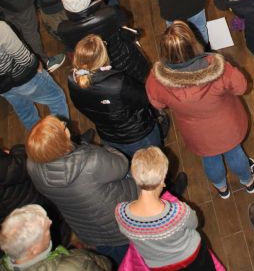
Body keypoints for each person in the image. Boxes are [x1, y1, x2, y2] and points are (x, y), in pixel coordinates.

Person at [146, 21, 254, 200]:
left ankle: (222, 188)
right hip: (227, 125)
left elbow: (157, 104)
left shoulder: (156, 79)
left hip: (196, 132)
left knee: (210, 159)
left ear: (164, 51)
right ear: (194, 43)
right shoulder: (217, 68)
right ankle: (248, 181)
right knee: (235, 152)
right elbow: (241, 87)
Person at [26, 116, 137, 265]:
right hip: (116, 222)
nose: (66, 125)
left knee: (114, 257)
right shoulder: (91, 161)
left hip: (85, 226)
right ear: (62, 141)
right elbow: (122, 165)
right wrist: (106, 149)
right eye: (63, 127)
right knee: (132, 255)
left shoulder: (32, 166)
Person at [115, 147, 216, 271]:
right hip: (192, 258)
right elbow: (194, 224)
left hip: (158, 266)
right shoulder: (178, 212)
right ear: (162, 180)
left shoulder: (121, 213)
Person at [68, 34, 160, 157]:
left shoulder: (72, 80)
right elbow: (145, 98)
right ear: (102, 57)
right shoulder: (117, 83)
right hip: (138, 135)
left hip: (108, 137)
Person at [58, 0, 151, 84]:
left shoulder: (63, 29)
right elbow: (125, 26)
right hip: (125, 58)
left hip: (99, 69)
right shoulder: (111, 12)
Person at [0, 21, 69, 131]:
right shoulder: (1, 28)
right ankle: (61, 139)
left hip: (3, 87)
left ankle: (42, 144)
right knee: (56, 98)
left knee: (25, 112)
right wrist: (37, 64)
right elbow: (24, 59)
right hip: (24, 77)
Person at [0, 204, 111, 271]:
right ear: (34, 249)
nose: (51, 222)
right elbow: (106, 264)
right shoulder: (77, 264)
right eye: (46, 231)